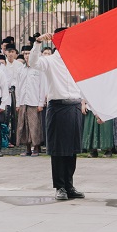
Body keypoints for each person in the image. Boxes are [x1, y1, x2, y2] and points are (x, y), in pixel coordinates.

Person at [29, 31, 85, 201]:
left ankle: (69, 185)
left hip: (74, 106)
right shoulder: (50, 61)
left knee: (72, 150)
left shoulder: (77, 59)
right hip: (58, 108)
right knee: (59, 151)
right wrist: (37, 43)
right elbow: (33, 62)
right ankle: (59, 187)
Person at [16, 45, 46, 156]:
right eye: (25, 54)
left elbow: (42, 86)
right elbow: (18, 87)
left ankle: (36, 147)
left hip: (34, 101)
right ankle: (27, 148)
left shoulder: (38, 69)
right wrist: (18, 103)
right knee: (23, 125)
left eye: (29, 53)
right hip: (24, 101)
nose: (27, 56)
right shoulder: (20, 70)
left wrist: (40, 103)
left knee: (35, 125)